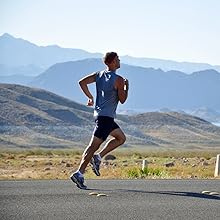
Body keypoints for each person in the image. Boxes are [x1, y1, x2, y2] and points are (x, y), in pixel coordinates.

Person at [70, 52, 129, 189]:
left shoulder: (99, 75)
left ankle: (98, 157)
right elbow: (123, 100)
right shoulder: (119, 79)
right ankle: (79, 173)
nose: (119, 61)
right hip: (106, 118)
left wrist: (90, 97)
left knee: (121, 138)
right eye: (118, 59)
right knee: (92, 147)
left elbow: (82, 82)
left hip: (100, 115)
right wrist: (127, 87)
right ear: (113, 62)